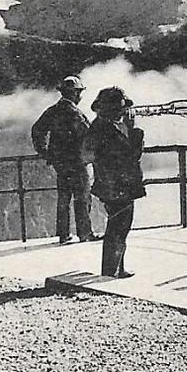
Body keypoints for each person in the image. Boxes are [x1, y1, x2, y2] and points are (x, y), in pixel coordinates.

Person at [83, 86, 145, 279]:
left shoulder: (100, 126)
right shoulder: (107, 130)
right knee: (119, 228)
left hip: (111, 185)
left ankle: (116, 268)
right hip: (118, 186)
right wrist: (135, 131)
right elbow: (132, 155)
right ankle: (111, 271)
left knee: (118, 227)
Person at [30, 75, 97, 245]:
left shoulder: (52, 111)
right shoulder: (75, 113)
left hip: (60, 163)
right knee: (82, 197)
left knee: (64, 198)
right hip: (76, 162)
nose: (80, 96)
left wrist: (45, 152)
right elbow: (89, 136)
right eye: (79, 92)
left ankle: (63, 234)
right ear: (74, 93)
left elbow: (38, 130)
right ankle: (85, 233)